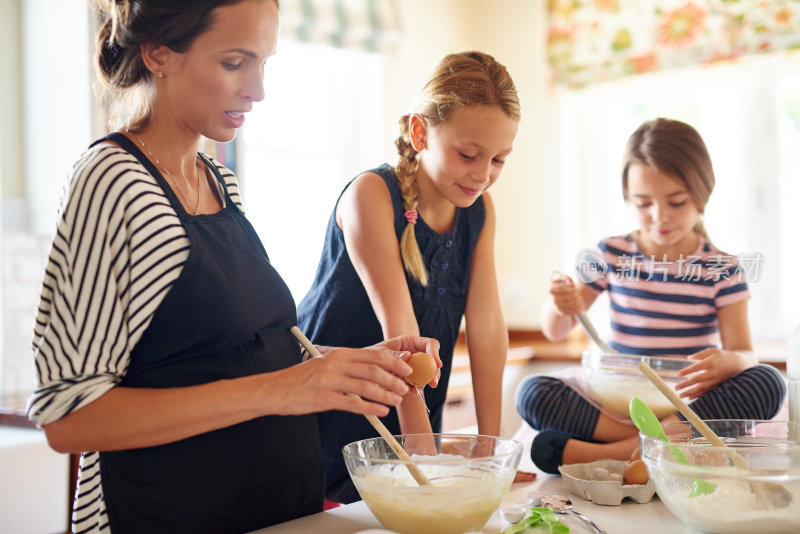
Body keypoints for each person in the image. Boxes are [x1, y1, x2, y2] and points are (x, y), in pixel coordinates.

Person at [26, 1, 439, 533]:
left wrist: (351, 364)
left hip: (276, 513)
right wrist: (286, 388)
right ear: (158, 54)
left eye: (263, 63)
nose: (257, 90)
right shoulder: (113, 182)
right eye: (233, 63)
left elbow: (227, 356)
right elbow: (69, 416)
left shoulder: (218, 180)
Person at [297, 51, 521, 503]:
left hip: (409, 416)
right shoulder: (371, 196)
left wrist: (490, 454)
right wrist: (423, 468)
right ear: (420, 132)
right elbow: (403, 341)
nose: (483, 175)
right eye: (468, 154)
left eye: (499, 159)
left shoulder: (478, 211)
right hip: (328, 416)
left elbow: (487, 328)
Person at [516, 118, 786, 474]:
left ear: (702, 193)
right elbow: (556, 330)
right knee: (532, 392)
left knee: (767, 382)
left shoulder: (723, 268)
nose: (660, 216)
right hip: (619, 403)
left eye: (676, 201)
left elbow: (744, 352)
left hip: (687, 403)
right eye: (643, 204)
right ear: (628, 198)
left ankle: (617, 450)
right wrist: (558, 305)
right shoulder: (611, 253)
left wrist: (729, 362)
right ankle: (654, 446)